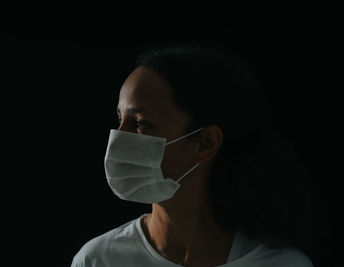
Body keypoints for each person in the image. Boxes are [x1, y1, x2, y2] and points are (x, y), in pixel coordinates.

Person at [71, 43, 317, 267]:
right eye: (119, 119)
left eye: (141, 124)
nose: (119, 136)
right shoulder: (98, 259)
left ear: (205, 143)